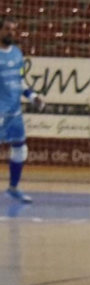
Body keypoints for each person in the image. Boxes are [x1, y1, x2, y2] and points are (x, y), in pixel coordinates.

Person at [0, 18, 40, 203]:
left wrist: (32, 96)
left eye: (14, 30)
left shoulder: (17, 53)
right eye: (7, 29)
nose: (11, 33)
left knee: (20, 149)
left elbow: (20, 80)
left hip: (14, 113)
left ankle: (13, 188)